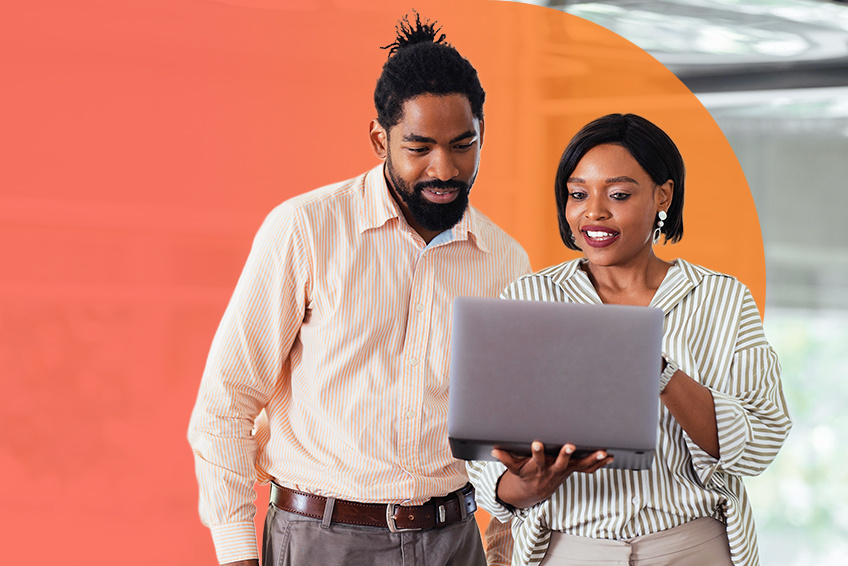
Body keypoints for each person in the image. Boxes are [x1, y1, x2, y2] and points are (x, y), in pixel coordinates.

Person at [186, 13, 530, 566]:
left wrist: (502, 541)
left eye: (463, 145)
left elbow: (507, 426)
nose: (444, 168)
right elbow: (226, 401)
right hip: (321, 539)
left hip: (456, 538)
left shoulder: (506, 260)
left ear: (482, 135)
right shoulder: (304, 229)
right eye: (419, 148)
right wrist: (236, 553)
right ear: (380, 139)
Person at [467, 113, 792, 566]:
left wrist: (655, 368)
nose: (594, 212)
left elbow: (761, 442)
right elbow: (484, 461)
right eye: (578, 194)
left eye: (618, 194)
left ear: (663, 195)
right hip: (566, 549)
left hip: (690, 546)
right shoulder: (529, 297)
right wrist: (525, 485)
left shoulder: (722, 298)